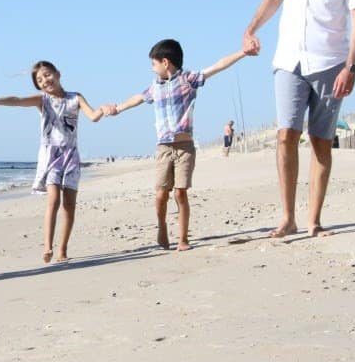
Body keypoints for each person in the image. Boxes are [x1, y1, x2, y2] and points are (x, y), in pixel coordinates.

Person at [242, 0, 355, 238]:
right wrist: (251, 29)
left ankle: (313, 220)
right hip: (288, 59)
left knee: (320, 142)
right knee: (286, 135)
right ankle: (287, 217)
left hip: (330, 63)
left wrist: (351, 67)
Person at [102, 39, 247, 251]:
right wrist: (118, 108)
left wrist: (242, 52)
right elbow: (138, 98)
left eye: (153, 64)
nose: (152, 69)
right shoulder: (154, 87)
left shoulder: (188, 79)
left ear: (165, 62)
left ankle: (182, 238)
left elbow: (218, 66)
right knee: (161, 194)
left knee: (180, 192)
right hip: (163, 148)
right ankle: (161, 227)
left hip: (184, 147)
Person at [0, 60, 106, 263]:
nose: (45, 81)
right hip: (51, 157)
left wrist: (104, 110)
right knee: (53, 199)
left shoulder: (76, 97)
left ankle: (62, 250)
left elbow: (93, 116)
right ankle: (47, 246)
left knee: (69, 205)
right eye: (39, 80)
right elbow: (18, 100)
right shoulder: (42, 100)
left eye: (47, 75)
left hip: (71, 157)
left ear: (58, 73)